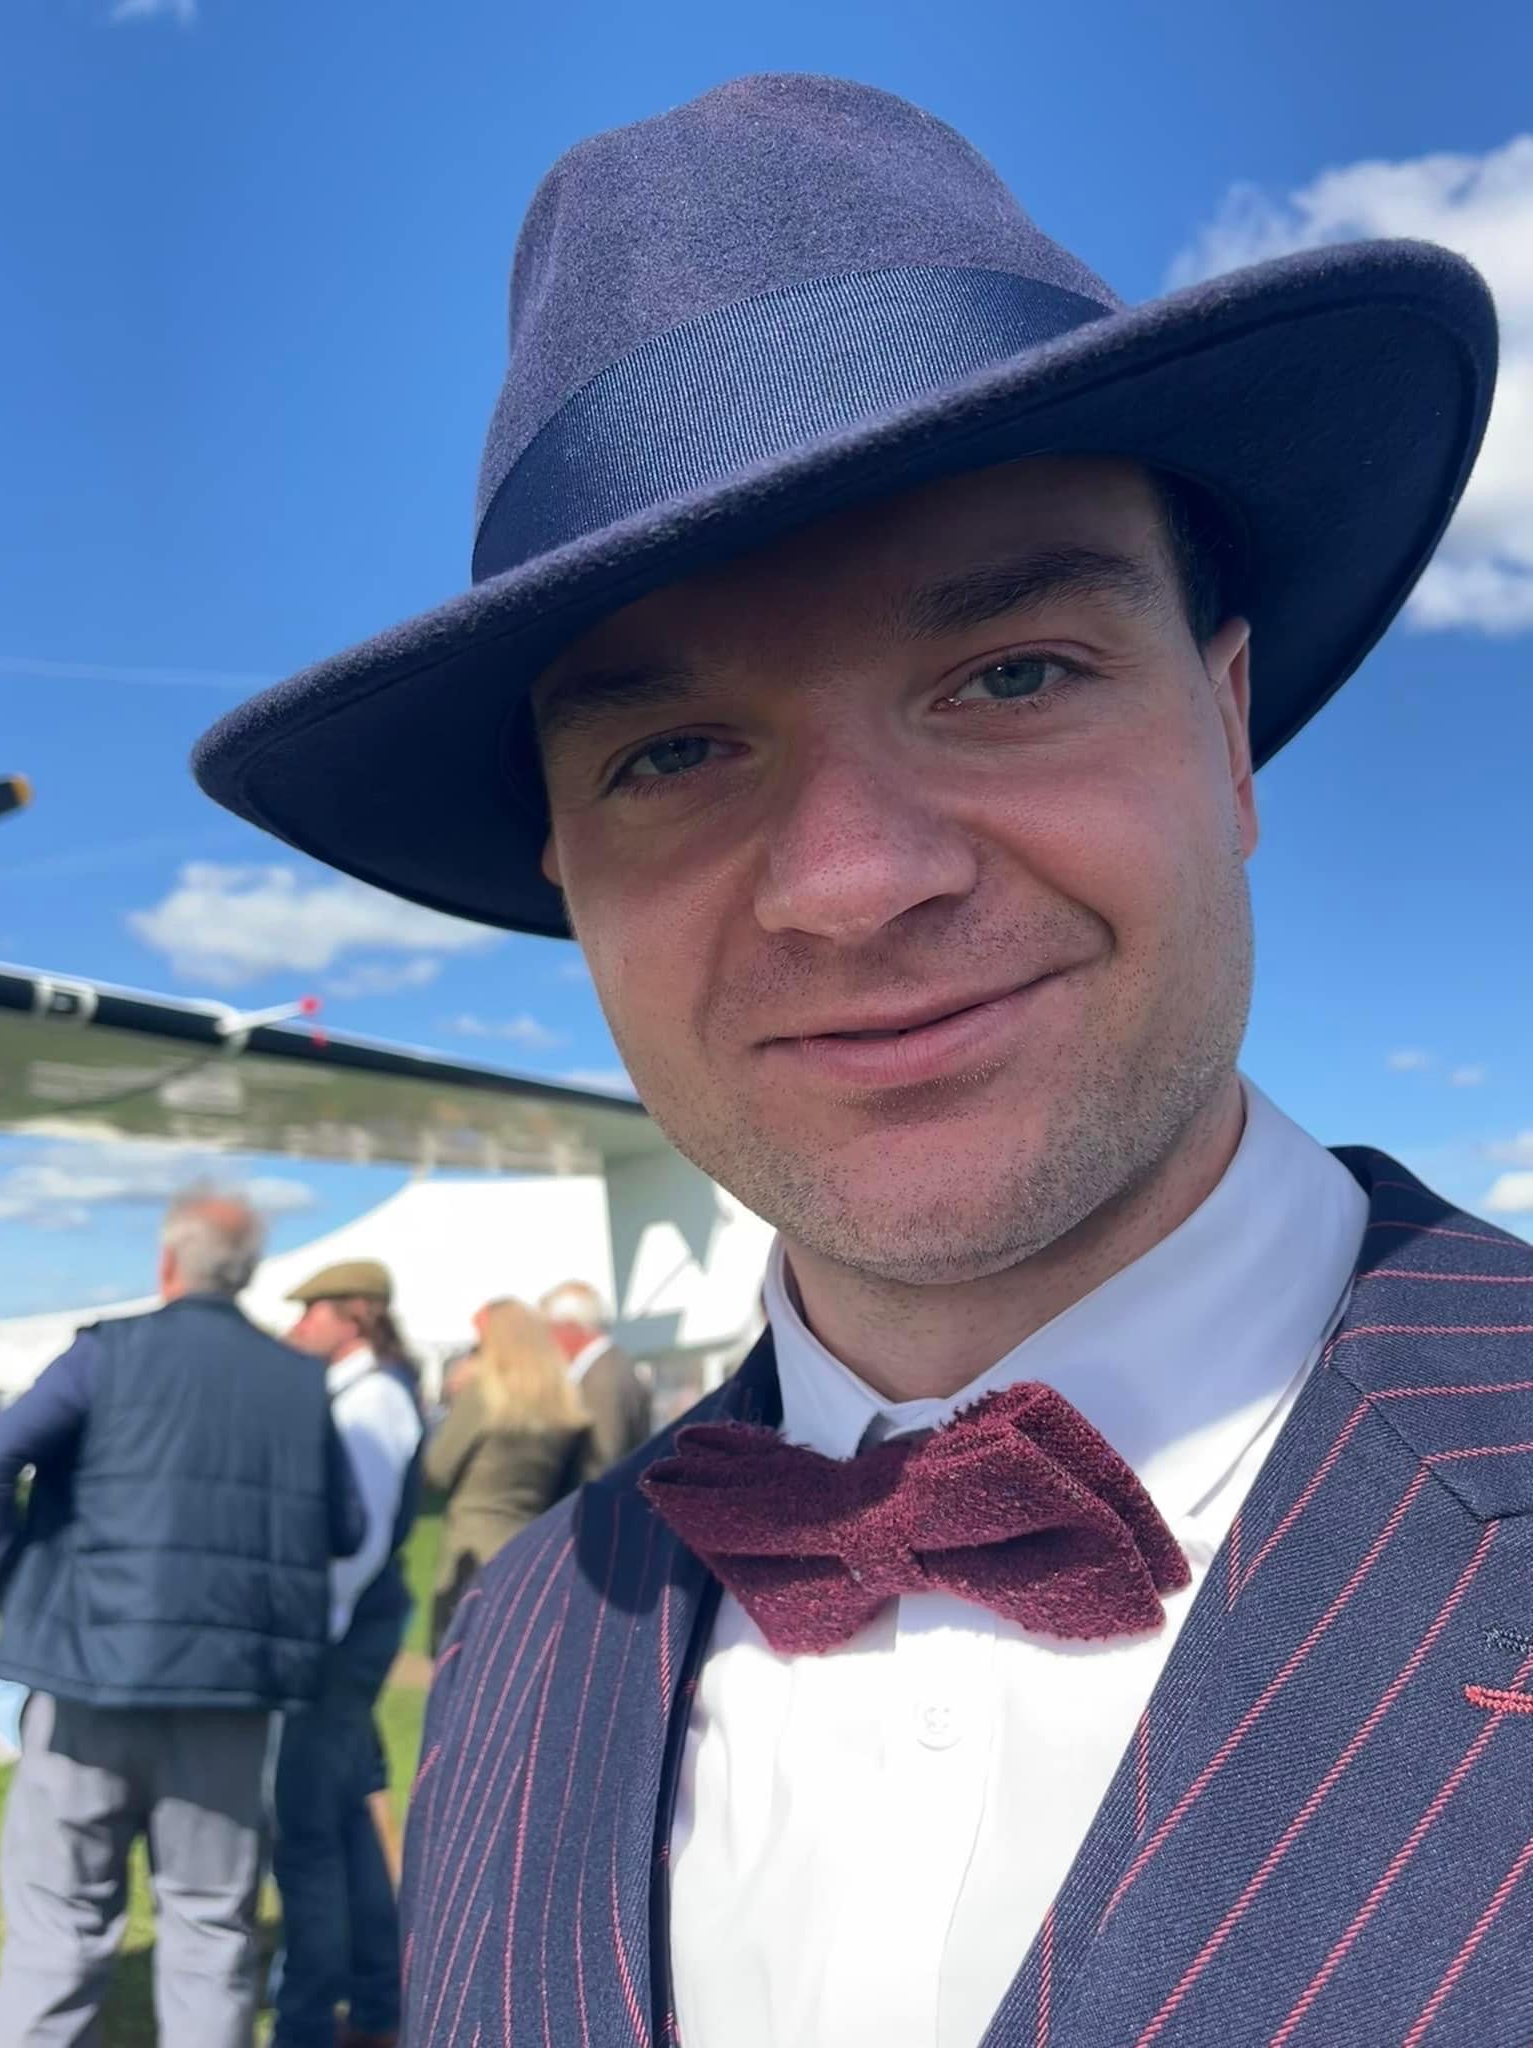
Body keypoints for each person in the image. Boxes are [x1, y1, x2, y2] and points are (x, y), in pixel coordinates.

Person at [189, 71, 1521, 2048]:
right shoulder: (522, 1644)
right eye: (672, 752)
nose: (848, 880)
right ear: (568, 872)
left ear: (1227, 728)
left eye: (1012, 672)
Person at [0, 1192, 363, 2048]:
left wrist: (15, 1575)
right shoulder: (296, 1379)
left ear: (167, 1263)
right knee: (210, 1929)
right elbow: (343, 1526)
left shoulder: (106, 1354)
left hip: (90, 1680)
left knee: (59, 1926)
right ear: (247, 1272)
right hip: (228, 1696)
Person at [273, 1261, 424, 2048]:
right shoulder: (365, 1392)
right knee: (346, 1818)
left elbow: (355, 1543)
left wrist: (313, 1630)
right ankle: (376, 2005)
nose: (300, 1325)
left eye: (314, 1311)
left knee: (308, 1830)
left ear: (356, 1315)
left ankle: (311, 2019)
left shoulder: (373, 1400)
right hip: (349, 1630)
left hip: (339, 1634)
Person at [424, 1297, 595, 1651]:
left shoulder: (484, 1394)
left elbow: (437, 1470)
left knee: (457, 1660)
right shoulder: (563, 1399)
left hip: (473, 1547)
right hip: (532, 1547)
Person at [538, 1279, 652, 1472]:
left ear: (569, 1327)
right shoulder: (607, 1367)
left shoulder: (604, 1377)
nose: (546, 1341)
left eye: (549, 1329)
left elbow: (604, 1458)